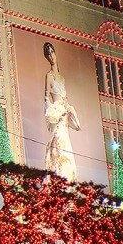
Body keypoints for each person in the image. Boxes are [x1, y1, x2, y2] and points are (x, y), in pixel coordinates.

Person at [42, 42, 82, 181]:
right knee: (58, 143)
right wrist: (54, 111)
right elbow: (47, 97)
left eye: (52, 52)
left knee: (66, 145)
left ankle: (67, 177)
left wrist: (69, 110)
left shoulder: (62, 78)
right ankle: (57, 176)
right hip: (58, 115)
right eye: (48, 54)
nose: (51, 56)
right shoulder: (49, 76)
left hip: (64, 115)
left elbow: (65, 98)